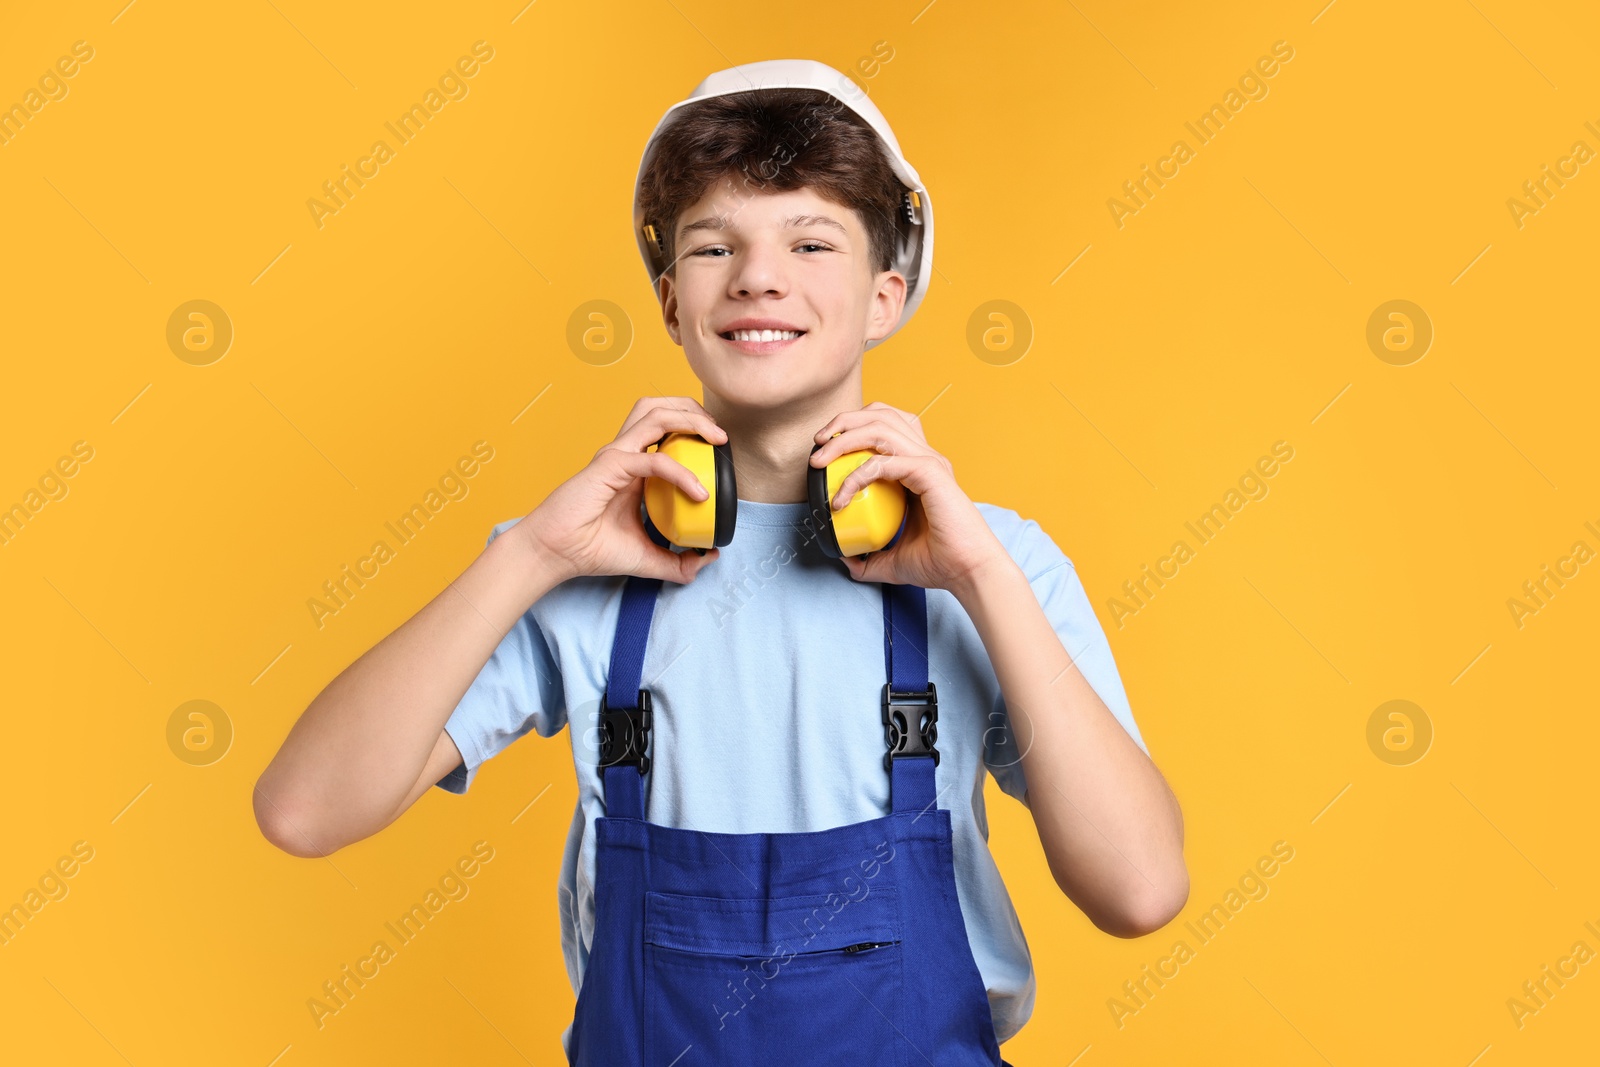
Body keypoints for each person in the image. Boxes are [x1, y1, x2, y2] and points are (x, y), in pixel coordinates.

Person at [254, 59, 1187, 1064]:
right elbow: (305, 809)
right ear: (670, 301)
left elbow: (1138, 890)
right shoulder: (578, 564)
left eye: (810, 239)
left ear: (885, 292)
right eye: (713, 244)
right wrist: (532, 551)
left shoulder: (998, 565)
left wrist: (979, 576)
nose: (757, 275)